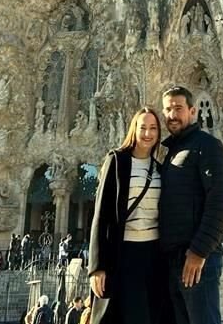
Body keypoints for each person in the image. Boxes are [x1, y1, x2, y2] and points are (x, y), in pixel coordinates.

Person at [160, 86, 223, 324]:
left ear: (193, 111)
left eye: (178, 108)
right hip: (174, 262)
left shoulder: (207, 145)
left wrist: (200, 251)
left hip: (197, 261)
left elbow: (220, 200)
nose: (173, 114)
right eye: (168, 109)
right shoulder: (170, 152)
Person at [89, 106, 163, 324]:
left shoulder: (160, 168)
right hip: (123, 252)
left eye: (153, 128)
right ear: (134, 129)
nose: (147, 133)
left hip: (152, 253)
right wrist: (97, 267)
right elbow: (101, 215)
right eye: (143, 128)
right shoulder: (117, 161)